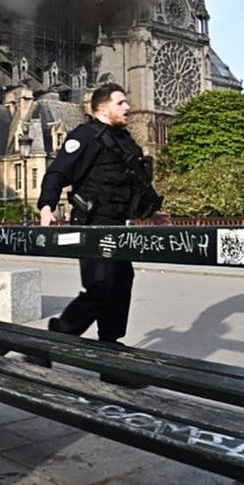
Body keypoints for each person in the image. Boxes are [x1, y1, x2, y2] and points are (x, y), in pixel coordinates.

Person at [37, 83, 164, 343]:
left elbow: (137, 184)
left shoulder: (126, 142)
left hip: (118, 224)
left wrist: (153, 211)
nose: (128, 107)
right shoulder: (85, 136)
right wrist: (47, 206)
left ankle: (110, 348)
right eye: (121, 103)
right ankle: (56, 337)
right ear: (102, 108)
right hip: (92, 223)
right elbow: (58, 172)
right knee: (101, 286)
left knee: (121, 283)